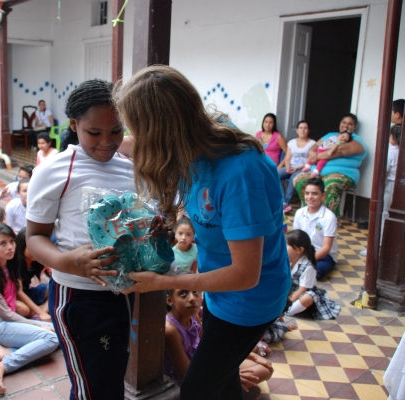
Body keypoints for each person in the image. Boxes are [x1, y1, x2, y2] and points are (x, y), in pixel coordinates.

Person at [114, 65, 291, 399]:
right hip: (220, 293)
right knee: (222, 382)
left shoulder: (240, 173)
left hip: (249, 301)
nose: (135, 139)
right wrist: (99, 144)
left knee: (197, 389)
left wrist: (163, 282)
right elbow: (135, 145)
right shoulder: (195, 143)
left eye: (137, 129)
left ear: (163, 131)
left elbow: (245, 275)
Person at [26, 79, 135, 399]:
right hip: (79, 297)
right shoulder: (54, 170)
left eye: (116, 131)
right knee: (93, 388)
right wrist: (69, 261)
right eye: (94, 133)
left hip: (122, 293)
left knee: (112, 377)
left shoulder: (128, 168)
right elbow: (34, 238)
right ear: (74, 125)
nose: (107, 142)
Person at [0, 223, 58, 395]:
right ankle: (0, 367)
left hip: (6, 322)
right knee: (51, 338)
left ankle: (4, 351)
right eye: (3, 243)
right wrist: (35, 323)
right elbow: (4, 313)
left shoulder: (8, 266)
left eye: (11, 241)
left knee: (59, 331)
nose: (10, 247)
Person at [164, 278, 273, 398]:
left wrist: (251, 358)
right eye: (183, 293)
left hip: (203, 364)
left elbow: (209, 346)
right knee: (259, 372)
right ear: (169, 300)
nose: (192, 299)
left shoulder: (193, 315)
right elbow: (186, 375)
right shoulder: (170, 329)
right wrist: (228, 377)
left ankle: (232, 389)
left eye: (195, 292)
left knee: (265, 368)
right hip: (192, 378)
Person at [293, 113, 367, 217]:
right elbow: (315, 146)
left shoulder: (356, 141)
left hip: (342, 173)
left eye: (350, 124)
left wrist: (316, 157)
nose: (346, 126)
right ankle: (310, 215)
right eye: (344, 122)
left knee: (330, 185)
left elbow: (340, 151)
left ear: (355, 127)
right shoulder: (330, 135)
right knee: (300, 180)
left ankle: (329, 220)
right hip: (316, 172)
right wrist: (312, 152)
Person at [360, 100, 404, 257]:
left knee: (383, 215)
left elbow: (384, 172)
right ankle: (392, 247)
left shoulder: (391, 152)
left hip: (390, 186)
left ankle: (376, 248)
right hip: (401, 187)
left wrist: (378, 189)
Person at [284, 230, 341, 319]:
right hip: (289, 292)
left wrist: (287, 303)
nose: (283, 248)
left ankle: (286, 311)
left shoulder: (308, 267)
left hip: (300, 295)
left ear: (299, 250)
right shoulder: (287, 261)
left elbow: (301, 290)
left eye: (286, 246)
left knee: (308, 298)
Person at [293, 178, 338, 279]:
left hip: (324, 255)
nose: (310, 197)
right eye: (307, 193)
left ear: (323, 195)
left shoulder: (329, 217)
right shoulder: (299, 213)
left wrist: (305, 261)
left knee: (316, 271)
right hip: (303, 252)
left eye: (314, 193)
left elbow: (326, 248)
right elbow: (296, 239)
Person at [277, 121, 316, 209]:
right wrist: (287, 167)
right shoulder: (291, 142)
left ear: (309, 130)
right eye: (300, 128)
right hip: (290, 166)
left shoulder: (313, 144)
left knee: (293, 178)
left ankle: (286, 202)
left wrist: (297, 168)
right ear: (297, 130)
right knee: (276, 174)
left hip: (304, 168)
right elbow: (287, 157)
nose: (303, 130)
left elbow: (311, 160)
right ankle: (282, 200)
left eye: (305, 128)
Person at [15, 228, 50, 320]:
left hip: (29, 293)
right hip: (16, 297)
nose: (35, 251)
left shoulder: (37, 260)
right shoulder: (16, 263)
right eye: (31, 248)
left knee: (53, 289)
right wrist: (40, 312)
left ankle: (39, 314)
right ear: (22, 246)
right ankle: (39, 312)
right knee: (22, 308)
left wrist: (49, 268)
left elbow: (54, 278)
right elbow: (19, 292)